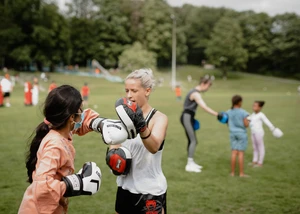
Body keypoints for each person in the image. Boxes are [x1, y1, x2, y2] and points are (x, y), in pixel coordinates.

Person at [18, 85, 131, 214]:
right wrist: (77, 183)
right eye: (80, 111)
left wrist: (99, 123)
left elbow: (82, 122)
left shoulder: (61, 130)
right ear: (72, 117)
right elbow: (42, 188)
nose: (82, 114)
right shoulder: (54, 145)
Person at [108, 68, 168, 214]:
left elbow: (154, 147)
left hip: (150, 191)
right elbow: (113, 146)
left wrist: (141, 125)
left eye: (134, 91)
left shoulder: (159, 118)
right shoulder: (123, 118)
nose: (129, 96)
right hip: (125, 188)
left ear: (147, 91)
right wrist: (113, 157)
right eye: (127, 91)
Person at [180, 75, 219, 173]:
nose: (208, 88)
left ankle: (191, 162)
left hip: (189, 117)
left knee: (192, 140)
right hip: (187, 117)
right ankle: (189, 165)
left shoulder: (194, 91)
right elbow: (204, 107)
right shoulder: (196, 94)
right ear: (203, 84)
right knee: (193, 140)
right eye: (208, 86)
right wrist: (217, 114)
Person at [226, 95, 250, 177]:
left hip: (232, 133)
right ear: (239, 102)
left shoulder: (228, 112)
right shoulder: (243, 112)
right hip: (241, 134)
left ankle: (232, 173)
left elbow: (227, 122)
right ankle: (241, 173)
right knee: (240, 154)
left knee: (233, 153)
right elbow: (246, 124)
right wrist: (249, 121)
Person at [248, 101, 277, 167]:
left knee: (260, 147)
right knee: (255, 147)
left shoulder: (261, 115)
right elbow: (248, 120)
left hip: (259, 133)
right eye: (253, 105)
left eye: (255, 106)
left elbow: (267, 121)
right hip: (253, 133)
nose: (253, 107)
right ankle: (254, 161)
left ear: (260, 108)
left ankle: (260, 163)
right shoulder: (253, 114)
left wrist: (273, 128)